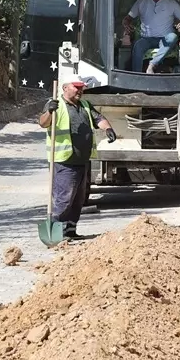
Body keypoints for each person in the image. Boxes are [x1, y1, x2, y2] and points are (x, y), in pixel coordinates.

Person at [39, 77, 116, 239]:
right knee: (64, 199)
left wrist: (108, 128)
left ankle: (70, 231)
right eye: (77, 87)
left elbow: (98, 118)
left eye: (82, 88)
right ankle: (55, 233)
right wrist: (49, 112)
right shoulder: (55, 104)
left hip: (82, 160)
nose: (80, 90)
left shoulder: (85, 105)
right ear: (65, 88)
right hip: (64, 161)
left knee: (78, 200)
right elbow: (43, 123)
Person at [122, 0, 180, 74]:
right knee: (138, 45)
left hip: (165, 38)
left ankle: (152, 65)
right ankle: (137, 75)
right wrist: (127, 25)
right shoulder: (141, 2)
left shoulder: (171, 3)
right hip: (146, 39)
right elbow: (127, 19)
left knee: (173, 37)